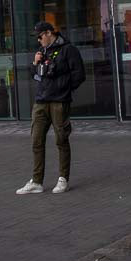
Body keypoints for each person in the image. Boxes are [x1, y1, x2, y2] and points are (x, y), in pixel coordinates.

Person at [16, 20, 85, 195]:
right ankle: (37, 181)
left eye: (40, 36)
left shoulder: (68, 50)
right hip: (41, 101)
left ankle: (63, 179)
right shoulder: (41, 51)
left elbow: (79, 74)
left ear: (48, 33)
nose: (39, 41)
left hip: (59, 102)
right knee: (36, 140)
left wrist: (64, 89)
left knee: (61, 139)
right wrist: (35, 63)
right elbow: (36, 75)